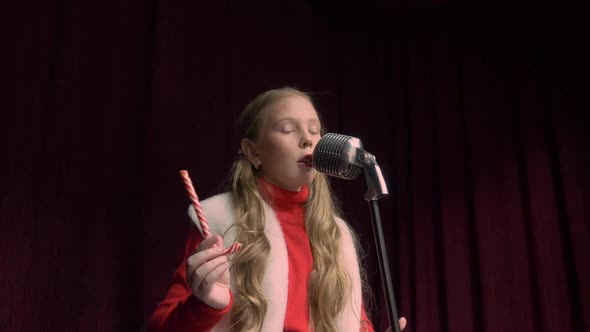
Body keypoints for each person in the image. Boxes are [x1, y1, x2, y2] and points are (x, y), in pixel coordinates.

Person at [147, 87, 407, 331]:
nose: (307, 139)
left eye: (315, 130)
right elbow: (161, 326)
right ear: (252, 151)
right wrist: (202, 306)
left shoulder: (335, 234)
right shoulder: (219, 220)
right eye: (287, 129)